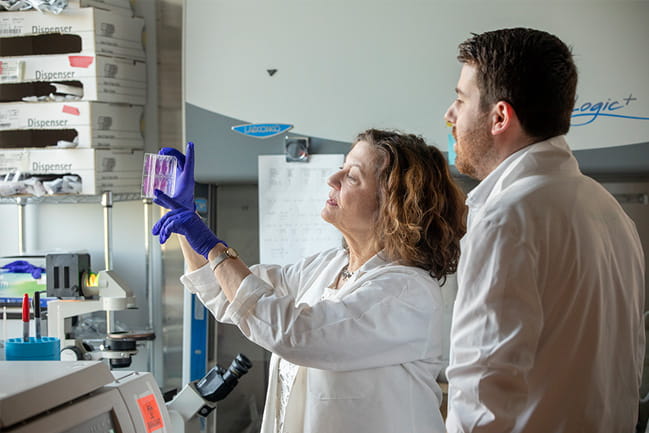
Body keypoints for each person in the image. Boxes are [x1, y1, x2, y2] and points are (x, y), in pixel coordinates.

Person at [151, 129, 467, 433]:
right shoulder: (328, 267)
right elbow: (231, 294)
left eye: (352, 177)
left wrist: (212, 247)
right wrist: (185, 219)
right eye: (341, 168)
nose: (332, 179)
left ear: (392, 206)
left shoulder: (405, 291)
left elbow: (294, 333)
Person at [443, 27, 646, 433]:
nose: (450, 114)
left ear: (500, 116)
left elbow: (480, 396)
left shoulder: (507, 220)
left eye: (461, 99)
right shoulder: (611, 212)